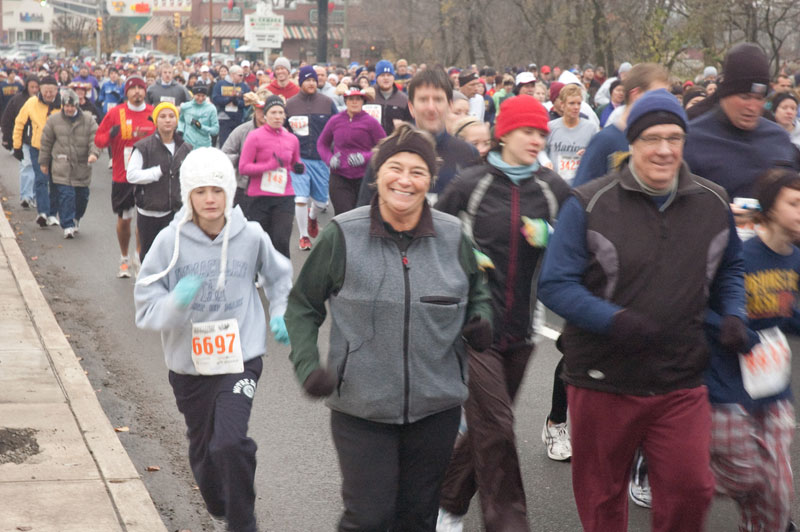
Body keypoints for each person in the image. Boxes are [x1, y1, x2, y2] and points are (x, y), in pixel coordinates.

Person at [537, 88, 747, 532]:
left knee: (692, 490)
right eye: (652, 137)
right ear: (631, 142)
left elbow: (730, 267)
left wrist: (733, 313)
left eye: (675, 137)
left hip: (681, 378)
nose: (665, 149)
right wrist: (613, 320)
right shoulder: (589, 203)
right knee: (602, 497)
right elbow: (554, 284)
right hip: (602, 379)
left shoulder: (712, 201)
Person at [284, 123, 493, 532]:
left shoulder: (453, 236)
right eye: (395, 168)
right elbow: (303, 306)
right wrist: (308, 366)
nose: (404, 180)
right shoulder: (343, 234)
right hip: (362, 408)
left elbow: (478, 292)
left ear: (429, 180)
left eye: (417, 171)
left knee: (416, 519)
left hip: (436, 407)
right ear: (378, 173)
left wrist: (480, 319)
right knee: (369, 517)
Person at [134, 147, 292, 532]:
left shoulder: (250, 235)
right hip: (189, 364)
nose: (210, 199)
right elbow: (144, 306)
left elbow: (279, 274)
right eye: (201, 191)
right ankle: (222, 503)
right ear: (188, 194)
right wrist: (174, 303)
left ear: (229, 194)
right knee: (205, 452)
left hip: (241, 356)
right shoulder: (169, 242)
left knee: (230, 443)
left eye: (218, 190)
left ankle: (243, 520)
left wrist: (278, 312)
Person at [436, 95, 571, 532]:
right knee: (496, 424)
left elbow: (582, 243)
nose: (536, 139)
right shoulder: (470, 184)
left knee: (486, 427)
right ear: (505, 134)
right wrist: (466, 254)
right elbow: (433, 238)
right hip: (473, 327)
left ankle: (447, 507)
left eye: (541, 133)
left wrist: (552, 234)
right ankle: (509, 523)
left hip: (524, 329)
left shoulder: (553, 190)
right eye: (528, 131)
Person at [703, 167, 799, 532]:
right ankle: (669, 467)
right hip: (726, 386)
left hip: (773, 389)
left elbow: (786, 312)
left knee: (777, 486)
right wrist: (731, 327)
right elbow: (703, 308)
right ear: (771, 209)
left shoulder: (794, 257)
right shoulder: (743, 255)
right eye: (795, 203)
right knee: (746, 479)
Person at [684, 43, 798, 199]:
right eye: (744, 97)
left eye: (759, 98)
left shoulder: (779, 138)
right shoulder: (693, 140)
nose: (752, 107)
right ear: (725, 94)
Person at [357, 69, 481, 206]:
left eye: (438, 100)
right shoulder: (386, 153)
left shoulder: (468, 154)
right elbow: (365, 212)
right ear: (411, 107)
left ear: (450, 105)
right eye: (423, 100)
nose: (431, 108)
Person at [95, 75, 156, 278]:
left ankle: (138, 258)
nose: (137, 91)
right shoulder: (116, 113)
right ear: (126, 92)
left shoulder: (154, 113)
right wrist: (111, 134)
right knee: (125, 220)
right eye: (133, 88)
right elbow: (100, 140)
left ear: (145, 91)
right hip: (123, 176)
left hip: (147, 176)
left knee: (144, 220)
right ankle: (123, 257)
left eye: (141, 87)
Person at [572, 63, 670, 188]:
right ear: (636, 95)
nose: (667, 103)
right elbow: (579, 196)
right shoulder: (604, 140)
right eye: (660, 96)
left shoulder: (662, 142)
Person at [126, 102, 193, 262]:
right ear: (156, 121)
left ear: (176, 121)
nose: (167, 120)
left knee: (173, 255)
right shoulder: (144, 146)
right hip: (150, 211)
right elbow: (132, 175)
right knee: (150, 256)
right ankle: (146, 284)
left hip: (176, 211)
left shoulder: (185, 147)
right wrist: (157, 171)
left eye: (171, 116)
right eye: (162, 116)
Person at [238, 95, 303, 259]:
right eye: (273, 112)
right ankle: (257, 275)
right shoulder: (255, 136)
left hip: (284, 195)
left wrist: (299, 167)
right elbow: (243, 167)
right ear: (265, 115)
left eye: (281, 113)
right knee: (260, 241)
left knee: (281, 239)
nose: (277, 116)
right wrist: (269, 166)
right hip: (258, 197)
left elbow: (296, 163)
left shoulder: (292, 139)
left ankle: (282, 279)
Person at [285, 66, 338, 250]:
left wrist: (335, 152)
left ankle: (312, 217)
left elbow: (337, 128)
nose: (311, 83)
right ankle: (303, 236)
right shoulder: (290, 104)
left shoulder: (327, 102)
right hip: (298, 159)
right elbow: (284, 132)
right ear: (300, 82)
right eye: (307, 80)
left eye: (314, 80)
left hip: (321, 159)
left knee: (322, 202)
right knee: (300, 198)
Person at [38, 88, 100, 238]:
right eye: (66, 106)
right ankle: (67, 225)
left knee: (82, 197)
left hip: (82, 165)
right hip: (62, 165)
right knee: (66, 196)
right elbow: (46, 142)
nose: (69, 109)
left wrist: (94, 153)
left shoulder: (88, 119)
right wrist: (44, 162)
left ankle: (76, 218)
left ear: (77, 106)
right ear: (63, 106)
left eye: (72, 106)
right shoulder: (54, 120)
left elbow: (95, 138)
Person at [317, 87, 386, 216]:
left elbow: (384, 146)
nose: (354, 102)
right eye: (351, 99)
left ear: (363, 102)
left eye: (358, 99)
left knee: (361, 215)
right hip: (339, 176)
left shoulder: (371, 122)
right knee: (344, 215)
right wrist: (329, 159)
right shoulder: (335, 120)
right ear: (345, 101)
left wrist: (365, 157)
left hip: (364, 177)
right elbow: (322, 144)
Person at [12, 75, 61, 228]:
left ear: (56, 91)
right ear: (40, 90)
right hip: (37, 147)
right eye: (45, 91)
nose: (48, 94)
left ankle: (53, 214)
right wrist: (17, 146)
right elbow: (19, 123)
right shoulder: (32, 102)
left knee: (56, 182)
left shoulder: (62, 104)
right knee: (41, 179)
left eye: (51, 91)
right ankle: (43, 213)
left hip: (58, 148)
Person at [222, 88, 269, 210]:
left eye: (267, 109)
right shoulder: (242, 130)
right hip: (244, 187)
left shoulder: (282, 133)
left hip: (271, 187)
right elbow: (224, 154)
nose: (264, 113)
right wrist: (241, 159)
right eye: (260, 109)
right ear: (254, 108)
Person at [546, 84, 599, 185]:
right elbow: (540, 151)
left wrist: (588, 153)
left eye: (579, 104)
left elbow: (598, 156)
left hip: (580, 187)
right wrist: (545, 162)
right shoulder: (551, 127)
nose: (576, 107)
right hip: (556, 186)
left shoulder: (591, 128)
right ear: (562, 105)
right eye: (571, 103)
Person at [1, 75, 39, 208]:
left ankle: (34, 195)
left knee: (38, 169)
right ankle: (26, 196)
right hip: (24, 139)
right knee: (26, 166)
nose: (34, 89)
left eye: (36, 87)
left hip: (40, 140)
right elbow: (8, 118)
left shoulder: (43, 101)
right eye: (32, 87)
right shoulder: (18, 99)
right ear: (27, 87)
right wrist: (7, 138)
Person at [211, 65, 252, 148]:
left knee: (238, 144)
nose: (242, 77)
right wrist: (228, 99)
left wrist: (237, 102)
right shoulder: (220, 84)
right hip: (224, 118)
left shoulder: (244, 86)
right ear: (232, 74)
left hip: (239, 119)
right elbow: (215, 99)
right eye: (240, 75)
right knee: (225, 143)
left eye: (243, 75)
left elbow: (248, 103)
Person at [371, 59, 412, 136]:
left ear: (393, 77)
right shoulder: (369, 97)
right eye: (382, 75)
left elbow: (412, 124)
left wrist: (403, 126)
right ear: (377, 78)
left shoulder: (403, 99)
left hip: (395, 144)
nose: (386, 78)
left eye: (389, 75)